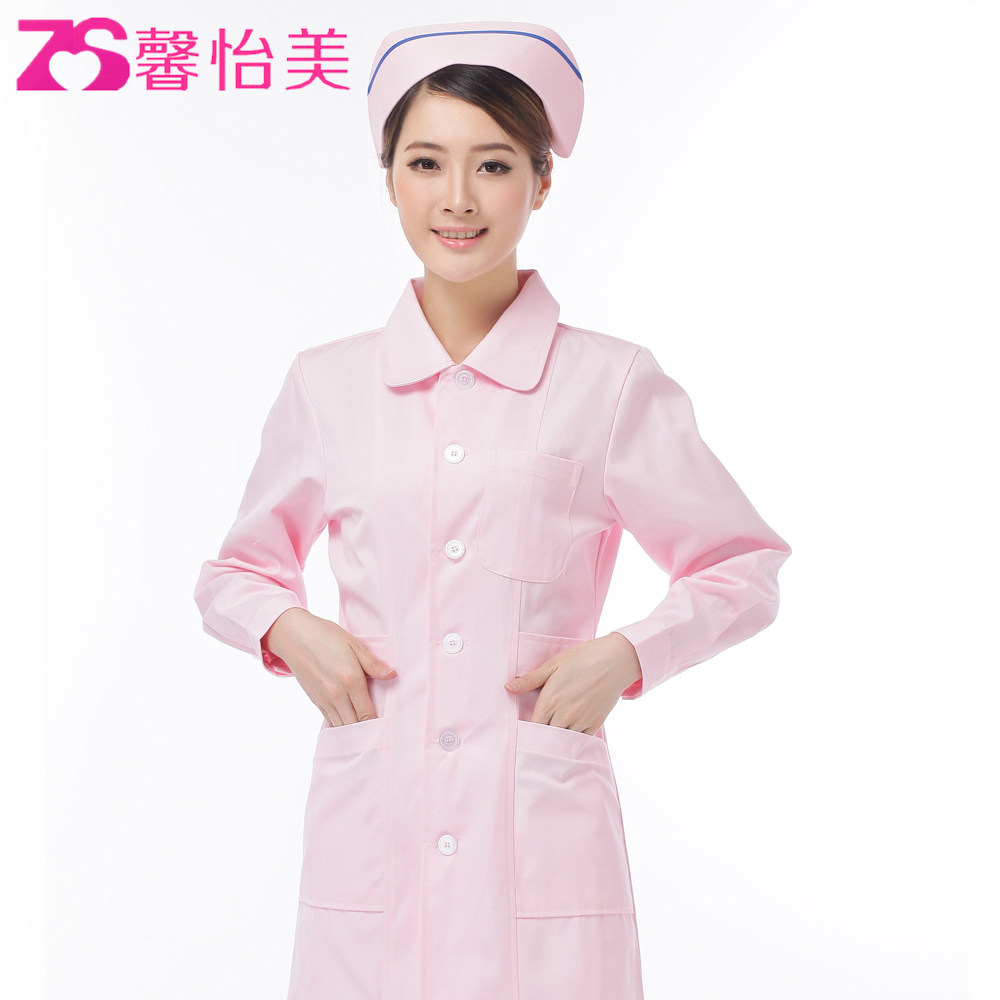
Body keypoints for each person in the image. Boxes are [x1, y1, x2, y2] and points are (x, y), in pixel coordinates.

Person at [194, 20, 792, 1000]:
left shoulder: (609, 384)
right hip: (374, 833)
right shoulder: (327, 386)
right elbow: (234, 574)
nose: (458, 199)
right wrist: (288, 629)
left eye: (496, 164)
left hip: (539, 842)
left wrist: (626, 655)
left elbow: (741, 563)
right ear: (390, 178)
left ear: (542, 182)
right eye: (426, 162)